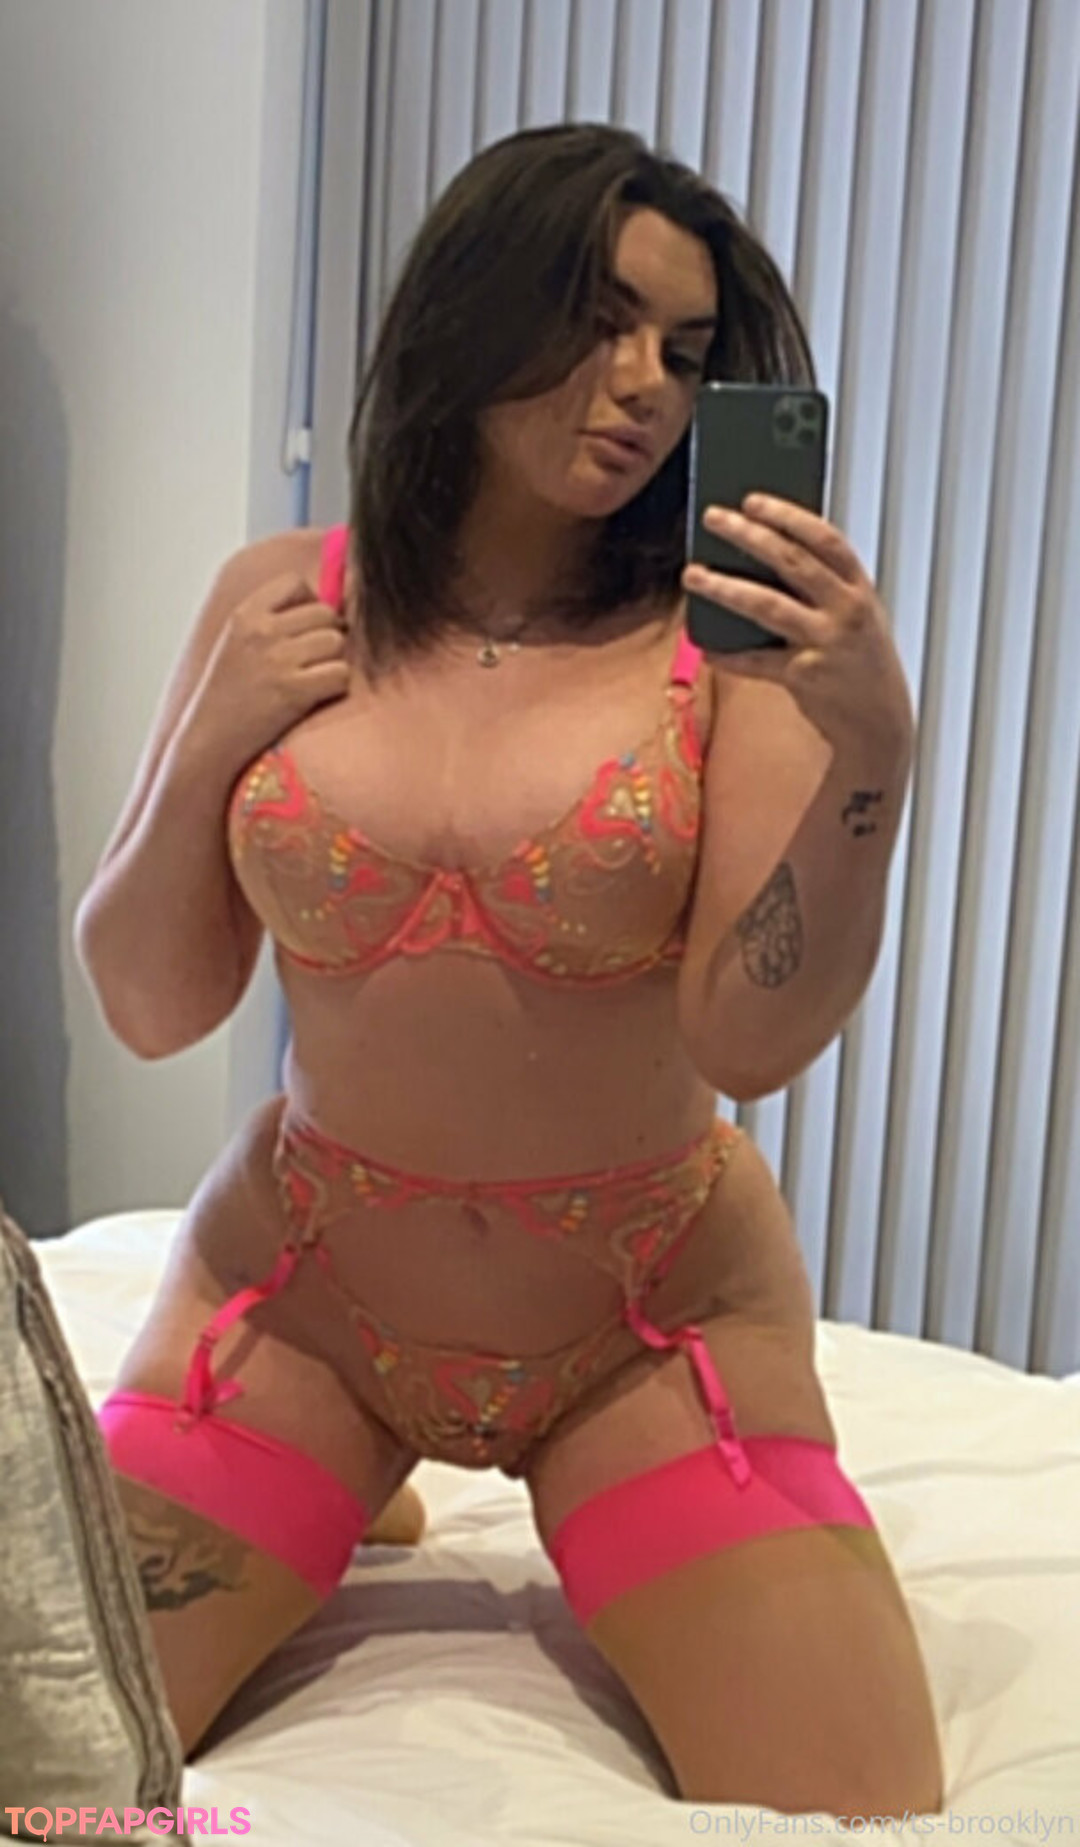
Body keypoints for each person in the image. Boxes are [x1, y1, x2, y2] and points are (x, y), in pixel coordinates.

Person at [74, 122, 943, 1815]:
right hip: (309, 1301)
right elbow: (149, 1001)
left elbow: (748, 1037)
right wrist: (206, 747)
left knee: (859, 1805)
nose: (642, 387)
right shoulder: (280, 604)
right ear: (471, 312)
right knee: (42, 1761)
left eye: (683, 350)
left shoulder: (724, 652)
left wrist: (873, 767)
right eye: (597, 322)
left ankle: (417, 1488)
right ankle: (347, 1475)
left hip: (644, 1324)